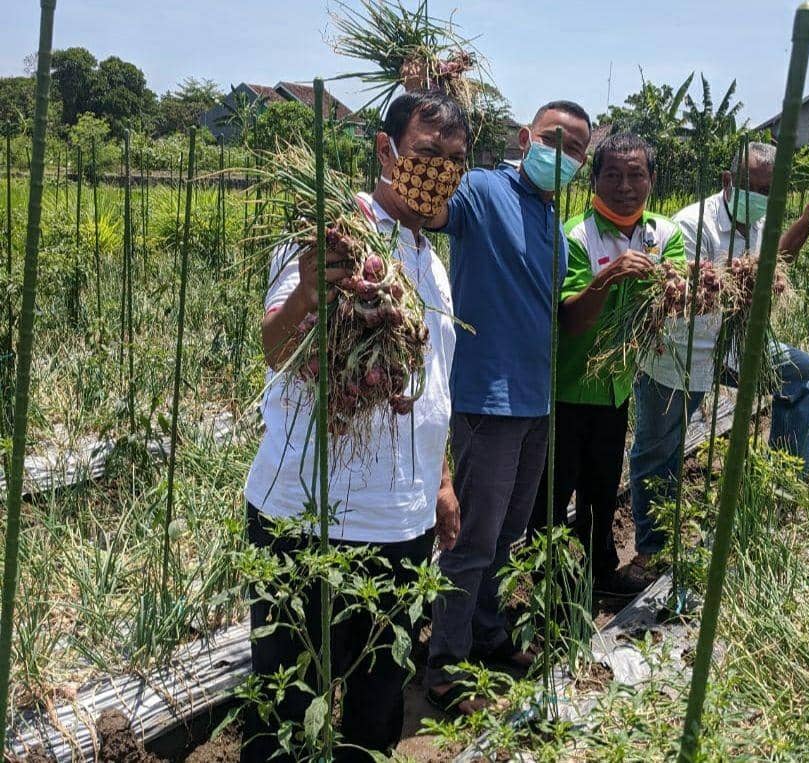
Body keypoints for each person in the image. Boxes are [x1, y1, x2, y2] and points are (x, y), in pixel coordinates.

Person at [241, 91, 468, 762]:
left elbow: (432, 387)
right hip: (308, 518)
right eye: (426, 154)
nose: (439, 172)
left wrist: (441, 480)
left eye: (455, 161)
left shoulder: (433, 261)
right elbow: (275, 347)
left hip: (402, 525)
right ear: (385, 150)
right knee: (284, 713)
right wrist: (309, 293)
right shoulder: (336, 237)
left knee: (377, 705)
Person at [424, 101, 592, 712]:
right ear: (526, 138)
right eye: (554, 140)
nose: (563, 156)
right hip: (487, 400)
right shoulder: (481, 189)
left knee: (508, 535)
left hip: (534, 401)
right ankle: (444, 666)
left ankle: (488, 633)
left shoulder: (553, 222)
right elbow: (432, 208)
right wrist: (429, 118)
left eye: (577, 150)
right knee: (471, 540)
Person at [630, 141, 809, 565]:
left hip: (733, 346)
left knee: (802, 374)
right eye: (752, 187)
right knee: (658, 451)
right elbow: (686, 296)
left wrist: (805, 223)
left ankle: (781, 492)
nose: (759, 198)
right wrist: (746, 280)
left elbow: (774, 262)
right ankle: (651, 550)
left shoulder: (759, 222)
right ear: (727, 181)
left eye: (768, 192)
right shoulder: (692, 224)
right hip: (681, 352)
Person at [526, 132, 685, 595]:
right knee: (552, 495)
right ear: (593, 180)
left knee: (602, 489)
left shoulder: (663, 234)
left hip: (615, 388)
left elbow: (673, 299)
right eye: (612, 175)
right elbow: (572, 320)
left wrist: (681, 287)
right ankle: (547, 587)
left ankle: (600, 573)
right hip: (568, 388)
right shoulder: (574, 234)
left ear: (652, 179)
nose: (624, 186)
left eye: (636, 175)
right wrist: (610, 276)